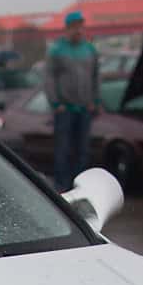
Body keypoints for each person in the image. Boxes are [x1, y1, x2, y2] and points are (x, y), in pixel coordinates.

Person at [43, 11, 101, 192]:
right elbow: (49, 78)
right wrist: (55, 103)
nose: (78, 30)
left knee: (82, 150)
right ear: (67, 28)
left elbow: (96, 77)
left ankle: (80, 187)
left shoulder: (89, 50)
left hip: (84, 109)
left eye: (81, 26)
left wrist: (94, 100)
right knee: (63, 150)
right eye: (75, 27)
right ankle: (62, 187)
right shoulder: (57, 50)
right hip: (65, 109)